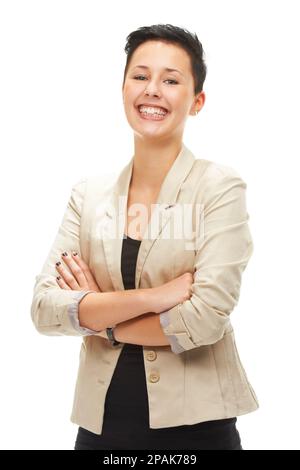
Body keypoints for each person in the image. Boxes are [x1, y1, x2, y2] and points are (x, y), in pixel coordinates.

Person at [30, 23, 259, 450]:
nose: (152, 90)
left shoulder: (220, 188)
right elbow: (45, 309)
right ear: (122, 90)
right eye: (140, 76)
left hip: (198, 434)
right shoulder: (89, 195)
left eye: (171, 80)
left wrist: (99, 316)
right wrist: (155, 298)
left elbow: (205, 318)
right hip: (100, 431)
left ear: (197, 101)